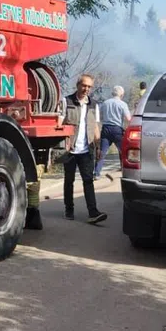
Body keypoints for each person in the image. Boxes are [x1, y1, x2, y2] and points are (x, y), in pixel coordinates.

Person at [58, 74, 107, 224]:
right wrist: (61, 144)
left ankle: (93, 212)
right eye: (84, 85)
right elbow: (59, 123)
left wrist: (98, 147)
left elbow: (96, 127)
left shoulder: (94, 105)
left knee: (88, 180)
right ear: (78, 85)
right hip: (70, 149)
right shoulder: (67, 101)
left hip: (87, 150)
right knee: (69, 180)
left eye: (89, 87)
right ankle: (69, 209)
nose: (86, 89)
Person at [94, 85, 132, 179]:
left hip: (105, 129)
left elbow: (99, 115)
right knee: (123, 151)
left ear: (112, 93)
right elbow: (128, 118)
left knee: (102, 152)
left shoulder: (105, 103)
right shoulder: (123, 104)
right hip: (117, 130)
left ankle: (96, 173)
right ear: (122, 95)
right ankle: (125, 170)